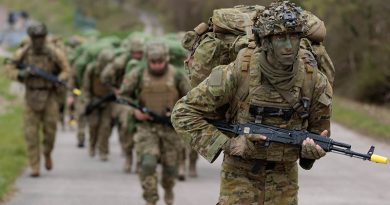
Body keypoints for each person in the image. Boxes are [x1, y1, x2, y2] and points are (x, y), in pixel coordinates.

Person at [171, 1, 333, 204]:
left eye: (294, 37)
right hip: (238, 175)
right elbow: (182, 112)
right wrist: (230, 144)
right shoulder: (238, 72)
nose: (289, 45)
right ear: (264, 41)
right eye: (280, 37)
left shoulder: (314, 81)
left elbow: (319, 136)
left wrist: (311, 152)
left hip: (284, 179)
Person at [119, 41, 190, 205]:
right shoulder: (137, 74)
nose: (157, 66)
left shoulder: (177, 75)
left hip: (170, 129)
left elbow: (191, 98)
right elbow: (123, 98)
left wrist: (178, 114)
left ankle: (169, 188)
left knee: (170, 168)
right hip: (147, 128)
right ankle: (150, 199)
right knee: (147, 163)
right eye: (153, 62)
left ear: (166, 59)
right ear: (147, 60)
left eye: (160, 62)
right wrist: (134, 112)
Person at [4, 22, 70, 177]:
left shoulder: (54, 52)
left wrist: (59, 79)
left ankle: (47, 153)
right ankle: (34, 165)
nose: (39, 41)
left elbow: (66, 70)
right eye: (36, 37)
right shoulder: (24, 52)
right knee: (30, 133)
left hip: (49, 96)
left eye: (41, 37)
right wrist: (21, 75)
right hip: (31, 96)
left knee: (50, 131)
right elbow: (9, 68)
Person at [101, 37, 145, 173]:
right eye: (135, 53)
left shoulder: (147, 63)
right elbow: (105, 77)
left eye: (140, 53)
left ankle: (140, 160)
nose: (137, 56)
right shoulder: (120, 63)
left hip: (142, 99)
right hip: (125, 99)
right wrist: (115, 90)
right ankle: (128, 157)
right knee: (126, 125)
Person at [82, 49, 116, 161]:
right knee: (93, 125)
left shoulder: (113, 71)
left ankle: (103, 151)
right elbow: (86, 87)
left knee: (105, 127)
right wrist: (87, 102)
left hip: (108, 102)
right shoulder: (92, 69)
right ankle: (92, 146)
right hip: (94, 100)